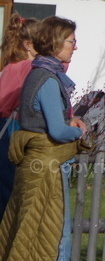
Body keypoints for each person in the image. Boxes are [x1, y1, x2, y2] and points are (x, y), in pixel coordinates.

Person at [0, 16, 88, 261]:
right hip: (45, 166)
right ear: (55, 42)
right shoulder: (47, 79)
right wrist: (79, 131)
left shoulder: (38, 72)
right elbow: (57, 132)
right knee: (53, 235)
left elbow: (40, 116)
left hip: (34, 163)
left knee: (26, 232)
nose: (75, 46)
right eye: (71, 41)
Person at [0, 14, 37, 217]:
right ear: (28, 44)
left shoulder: (10, 66)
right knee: (10, 190)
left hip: (3, 125)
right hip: (10, 128)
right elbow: (58, 66)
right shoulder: (27, 66)